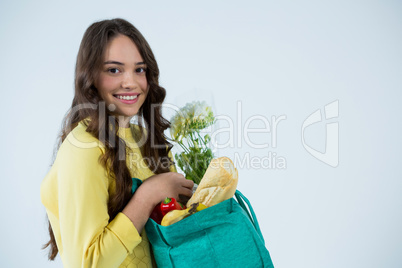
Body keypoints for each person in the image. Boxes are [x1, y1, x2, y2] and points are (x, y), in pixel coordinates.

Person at [40, 18, 194, 268]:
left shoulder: (146, 140)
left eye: (139, 69)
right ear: (91, 77)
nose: (130, 82)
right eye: (114, 70)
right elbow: (89, 264)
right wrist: (148, 195)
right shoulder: (84, 148)